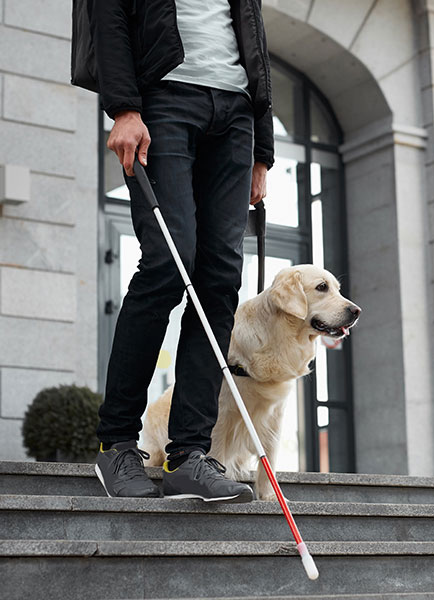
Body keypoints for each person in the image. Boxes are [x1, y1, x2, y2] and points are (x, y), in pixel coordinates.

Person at [72, 0, 274, 501]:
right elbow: (110, 14)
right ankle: (116, 442)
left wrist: (262, 152)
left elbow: (254, 38)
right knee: (168, 260)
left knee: (220, 281)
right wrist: (123, 106)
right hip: (163, 97)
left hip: (236, 112)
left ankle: (189, 454)